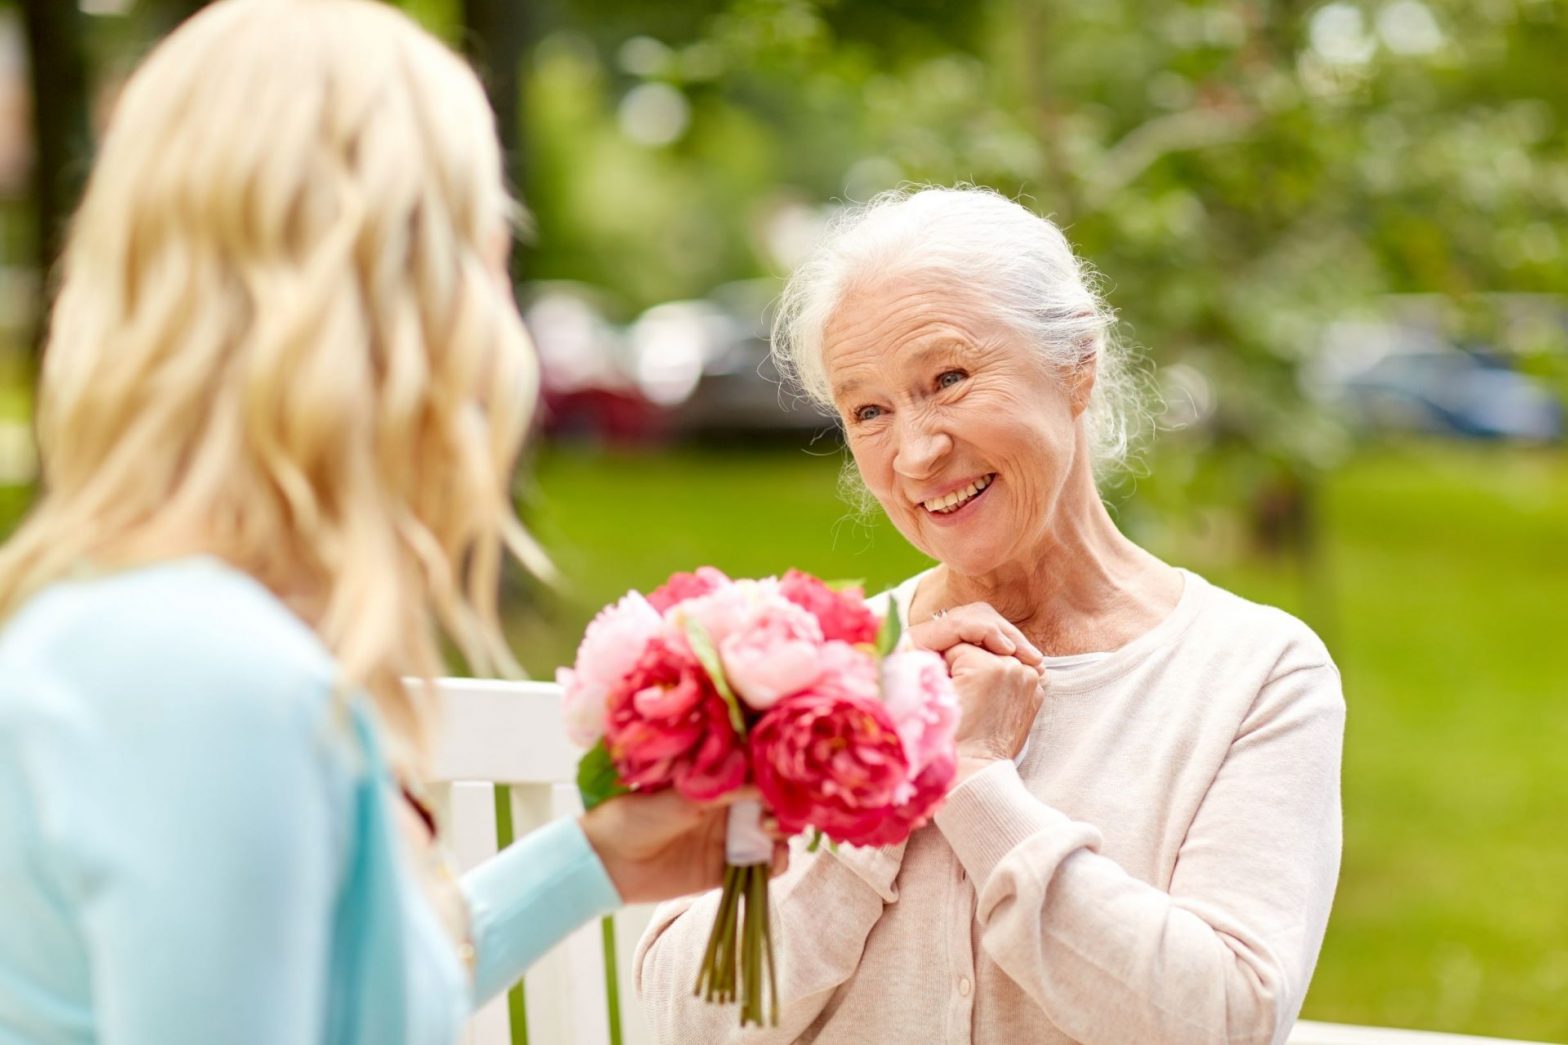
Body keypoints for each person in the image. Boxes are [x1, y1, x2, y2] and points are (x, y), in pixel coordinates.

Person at [0, 2, 777, 1043]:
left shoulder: (152, 633)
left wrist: (588, 861)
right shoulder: (213, 682)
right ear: (396, 296)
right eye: (481, 240)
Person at [636, 186, 1345, 1044]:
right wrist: (887, 787)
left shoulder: (1254, 673)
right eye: (869, 411)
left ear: (1076, 362)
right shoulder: (803, 665)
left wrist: (973, 781)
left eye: (949, 379)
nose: (917, 451)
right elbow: (686, 1019)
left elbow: (1223, 1019)